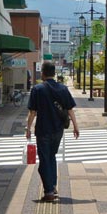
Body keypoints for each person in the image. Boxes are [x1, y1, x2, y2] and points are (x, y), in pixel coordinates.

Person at [26, 62, 79, 202]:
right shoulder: (63, 88)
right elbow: (70, 109)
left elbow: (32, 112)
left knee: (44, 160)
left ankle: (49, 191)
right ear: (54, 73)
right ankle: (53, 186)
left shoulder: (37, 89)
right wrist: (76, 126)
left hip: (43, 129)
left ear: (42, 73)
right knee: (51, 156)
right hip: (58, 130)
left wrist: (28, 128)